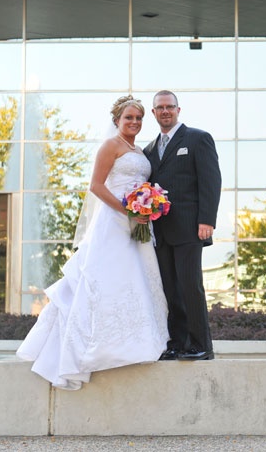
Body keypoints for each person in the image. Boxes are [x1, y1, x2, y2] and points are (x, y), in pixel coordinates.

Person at [16, 96, 169, 390]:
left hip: (138, 224)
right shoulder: (110, 146)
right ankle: (93, 348)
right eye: (129, 117)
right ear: (117, 120)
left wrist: (145, 207)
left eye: (138, 118)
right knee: (107, 280)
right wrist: (127, 210)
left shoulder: (139, 150)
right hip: (114, 223)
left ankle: (137, 342)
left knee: (137, 280)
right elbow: (96, 186)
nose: (134, 122)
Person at [144, 90, 221, 361]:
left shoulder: (198, 139)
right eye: (160, 107)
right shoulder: (149, 150)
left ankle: (202, 345)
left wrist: (206, 220)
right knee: (171, 290)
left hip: (189, 228)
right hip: (161, 231)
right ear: (153, 113)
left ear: (178, 110)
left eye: (170, 106)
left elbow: (211, 181)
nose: (165, 111)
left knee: (190, 286)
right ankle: (178, 344)